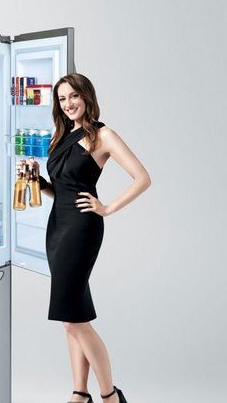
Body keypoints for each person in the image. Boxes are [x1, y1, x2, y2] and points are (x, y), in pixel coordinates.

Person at [25, 73, 151, 403]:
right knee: (74, 313)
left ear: (86, 97)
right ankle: (79, 393)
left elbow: (142, 177)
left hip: (82, 229)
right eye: (62, 99)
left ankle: (109, 395)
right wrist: (40, 183)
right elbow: (63, 190)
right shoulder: (62, 135)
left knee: (71, 320)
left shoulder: (103, 135)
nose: (68, 104)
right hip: (57, 227)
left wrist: (107, 208)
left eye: (73, 97)